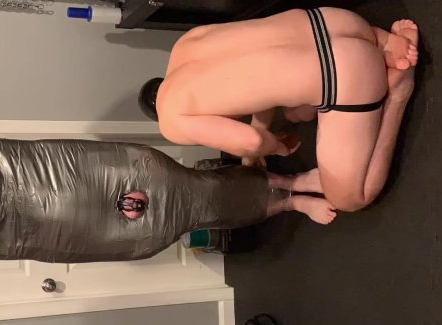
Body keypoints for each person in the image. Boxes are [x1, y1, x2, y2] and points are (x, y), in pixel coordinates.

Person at [0, 132, 334, 265]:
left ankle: (292, 192)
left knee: (202, 201)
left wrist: (118, 198)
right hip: (105, 214)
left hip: (108, 189)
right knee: (202, 198)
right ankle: (292, 192)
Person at [140, 7, 419, 212]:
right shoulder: (183, 45)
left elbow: (252, 141)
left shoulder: (171, 122)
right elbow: (256, 83)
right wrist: (257, 138)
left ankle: (397, 91)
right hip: (338, 21)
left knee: (348, 198)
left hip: (343, 72)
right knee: (294, 112)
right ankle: (384, 44)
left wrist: (275, 147)